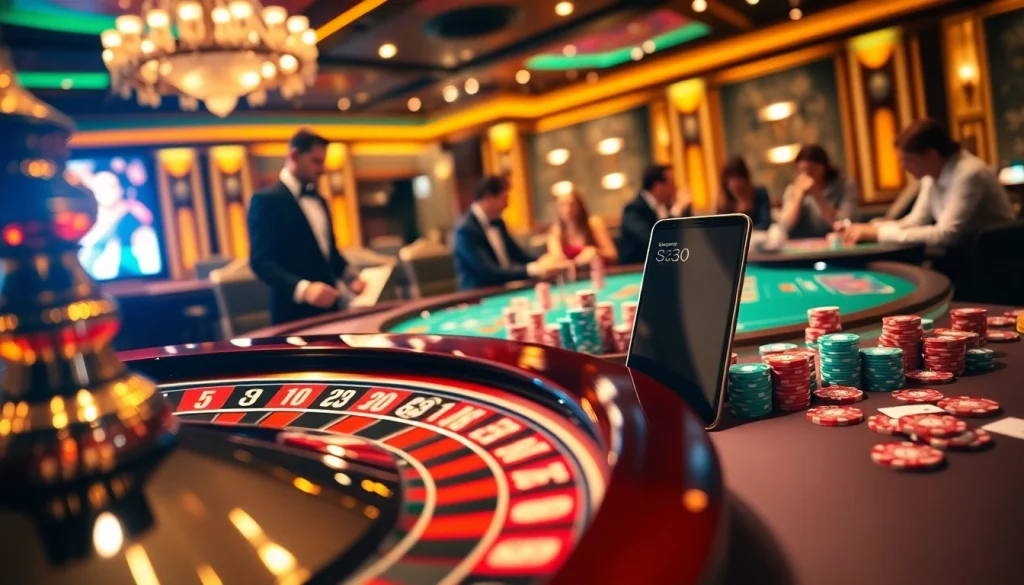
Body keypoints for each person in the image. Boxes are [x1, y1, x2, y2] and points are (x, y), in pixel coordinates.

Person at [247, 128, 366, 325]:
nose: (322, 169)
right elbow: (260, 261)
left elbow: (330, 254)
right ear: (294, 155)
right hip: (292, 315)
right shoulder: (265, 200)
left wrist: (350, 278)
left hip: (332, 309)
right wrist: (304, 289)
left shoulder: (320, 200)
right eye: (316, 161)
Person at [838, 119, 1014, 251]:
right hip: (965, 252)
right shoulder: (931, 175)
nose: (904, 167)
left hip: (995, 257)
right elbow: (915, 221)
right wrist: (870, 228)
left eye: (908, 160)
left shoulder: (969, 173)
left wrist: (877, 234)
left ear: (931, 154)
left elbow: (945, 235)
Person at [453, 175, 563, 290]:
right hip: (477, 297)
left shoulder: (498, 222)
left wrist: (544, 260)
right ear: (488, 197)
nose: (507, 205)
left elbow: (518, 254)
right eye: (504, 199)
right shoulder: (465, 230)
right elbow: (489, 272)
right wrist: (536, 268)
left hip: (503, 290)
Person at [778, 145, 858, 239]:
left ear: (824, 167)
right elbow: (785, 227)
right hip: (802, 245)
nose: (806, 175)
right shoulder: (793, 189)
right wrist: (797, 198)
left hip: (838, 241)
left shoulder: (845, 185)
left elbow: (844, 223)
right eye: (802, 171)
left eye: (811, 170)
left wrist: (817, 195)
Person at [619, 164, 692, 264]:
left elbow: (686, 238)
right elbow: (654, 240)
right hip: (637, 269)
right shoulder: (633, 209)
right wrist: (677, 209)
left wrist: (686, 209)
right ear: (658, 186)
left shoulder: (665, 206)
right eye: (671, 183)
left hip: (665, 265)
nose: (676, 187)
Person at [547, 189, 618, 265]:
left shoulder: (594, 223)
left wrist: (596, 252)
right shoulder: (556, 230)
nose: (568, 209)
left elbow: (613, 254)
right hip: (573, 275)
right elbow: (557, 258)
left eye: (572, 204)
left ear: (580, 206)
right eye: (562, 205)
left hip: (598, 272)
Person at [718, 155, 772, 231]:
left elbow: (765, 224)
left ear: (745, 178)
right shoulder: (723, 203)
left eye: (737, 178)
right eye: (730, 181)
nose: (734, 184)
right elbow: (721, 230)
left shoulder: (759, 194)